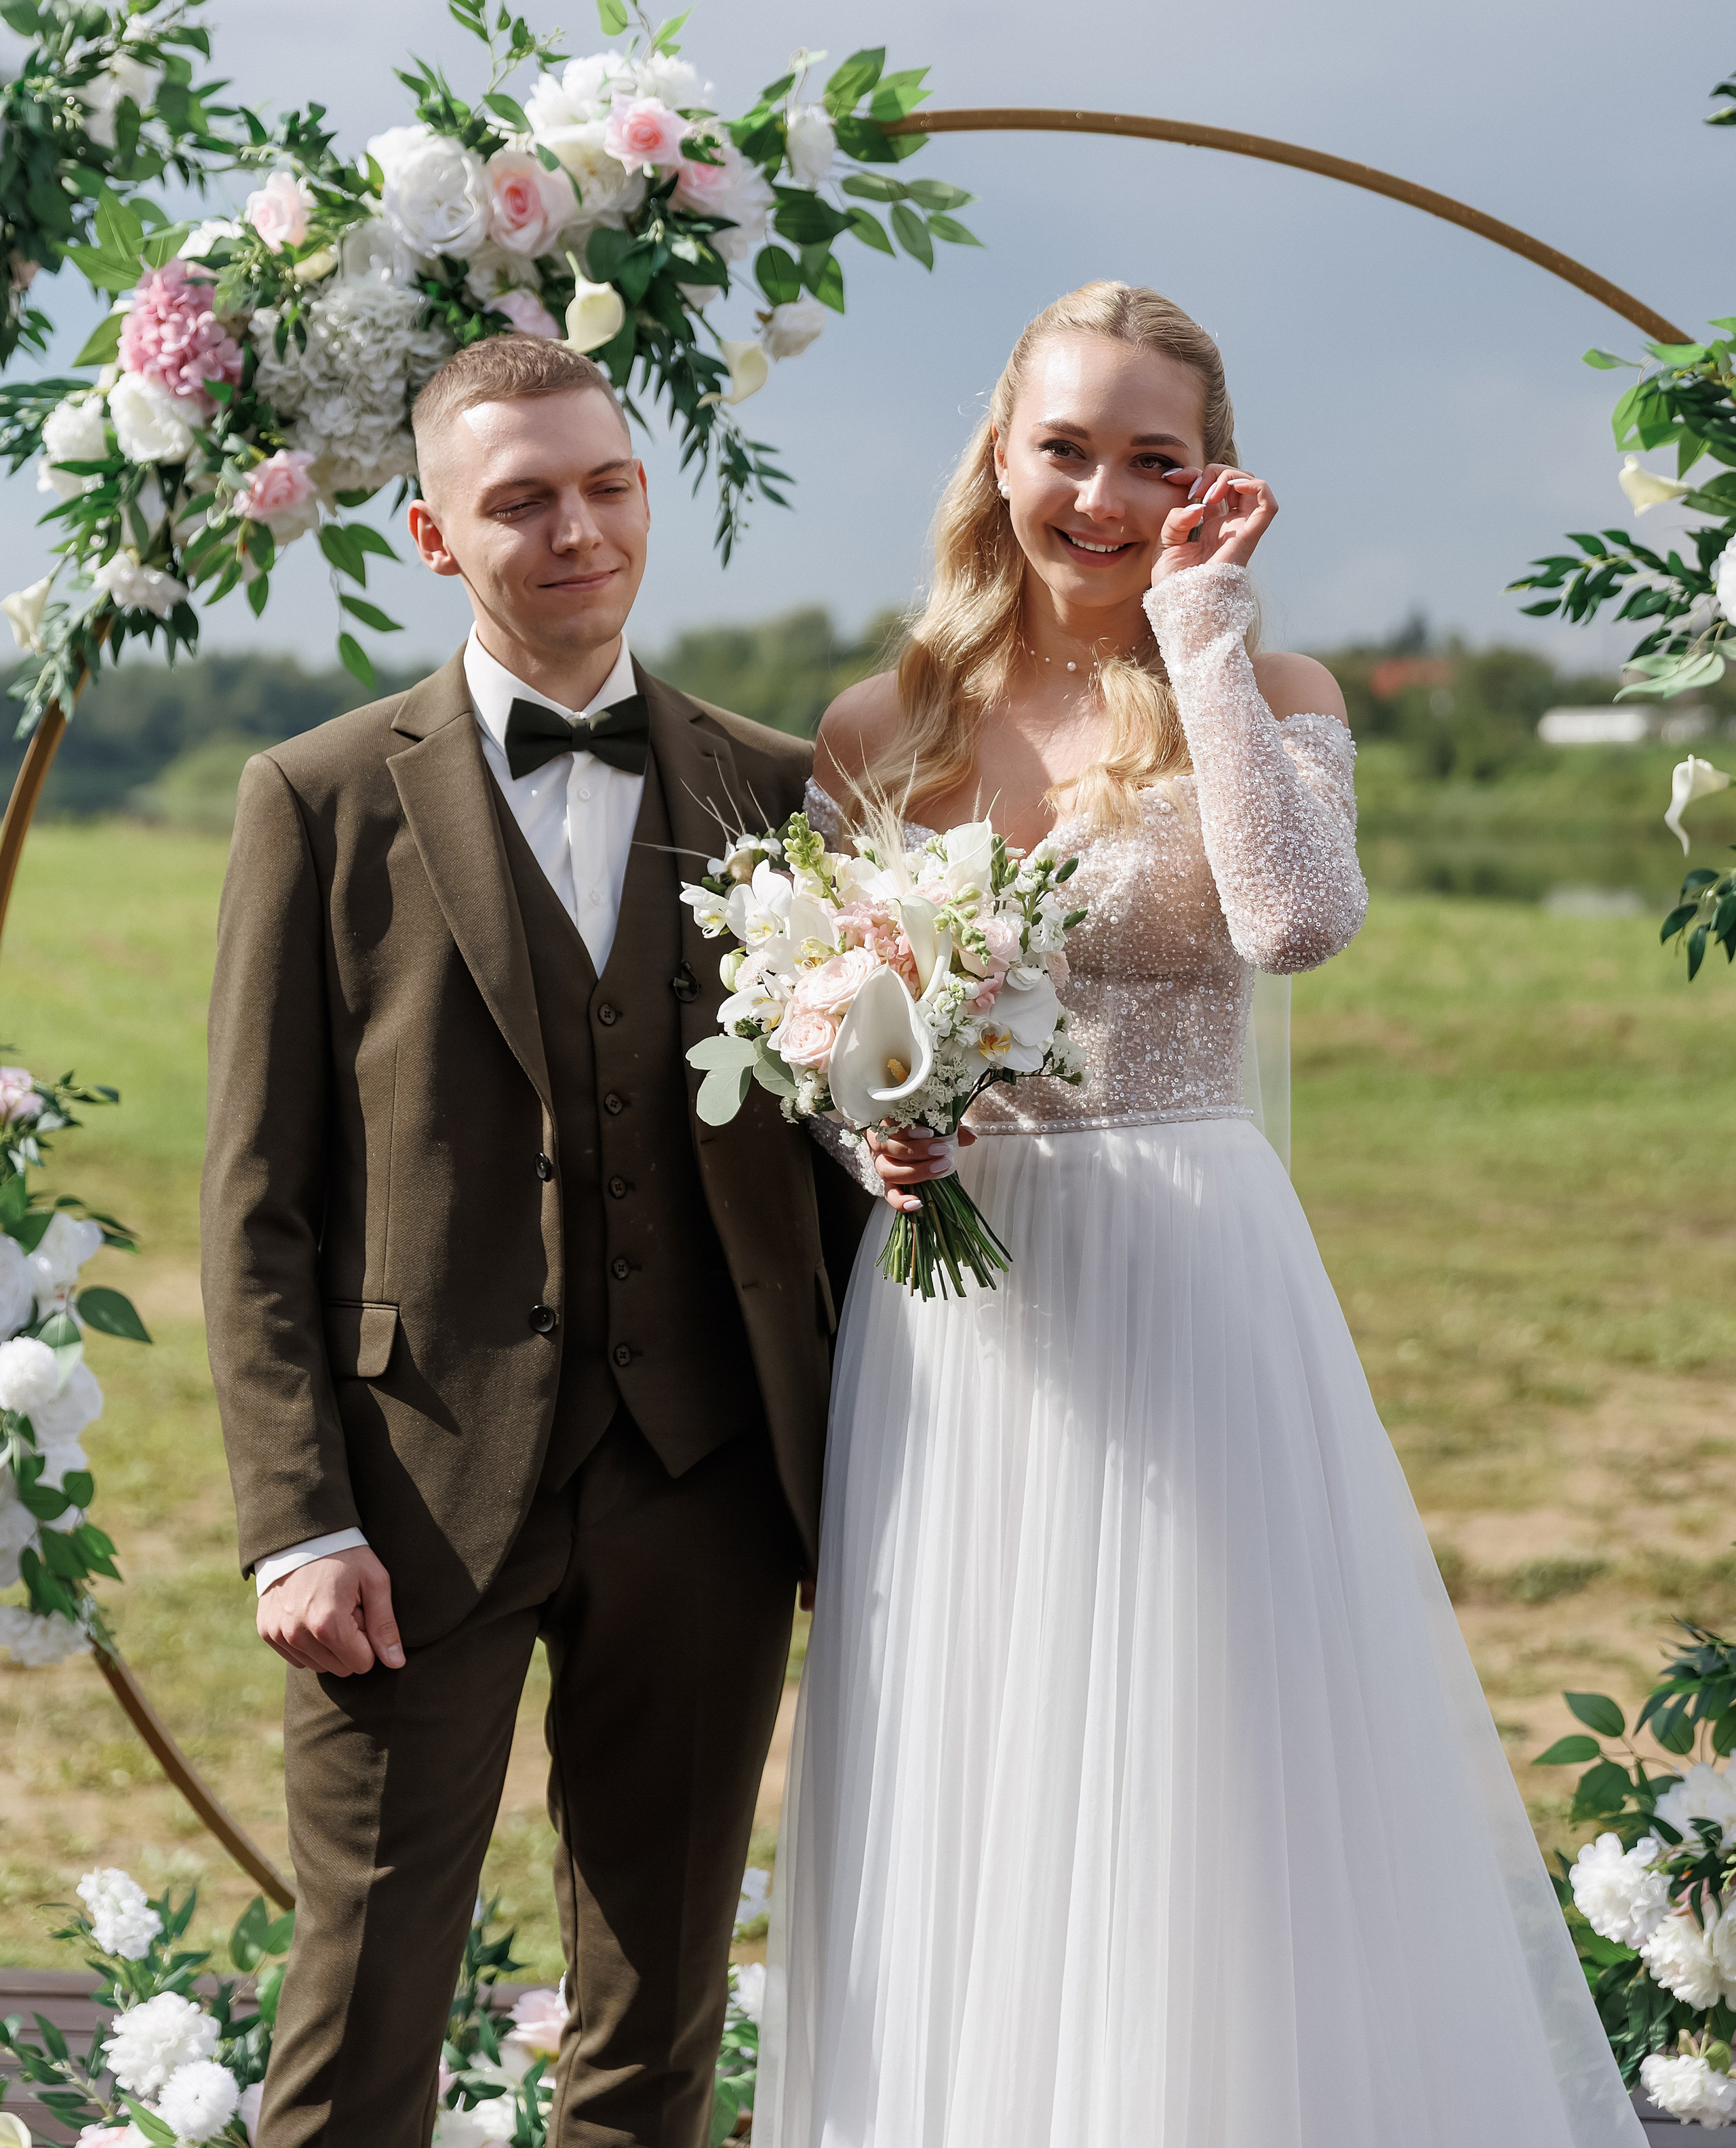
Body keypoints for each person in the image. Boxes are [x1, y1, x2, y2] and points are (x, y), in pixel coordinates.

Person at [758, 283, 1642, 2147]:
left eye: (1150, 457)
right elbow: (828, 1028)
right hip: (967, 1311)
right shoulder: (880, 719)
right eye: (1065, 446)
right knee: (979, 1750)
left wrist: (1206, 633)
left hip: (1190, 1259)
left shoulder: (1272, 686)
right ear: (1001, 450)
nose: (1098, 492)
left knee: (1201, 1752)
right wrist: (876, 1141)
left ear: (1207, 478)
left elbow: (1293, 917)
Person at [200, 331, 867, 2148]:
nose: (579, 528)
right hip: (409, 1497)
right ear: (433, 532)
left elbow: (837, 1170)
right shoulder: (321, 799)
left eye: (607, 484)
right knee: (364, 1994)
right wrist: (298, 1517)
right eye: (523, 499)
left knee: (657, 1998)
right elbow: (256, 1200)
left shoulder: (783, 789)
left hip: (711, 1478)